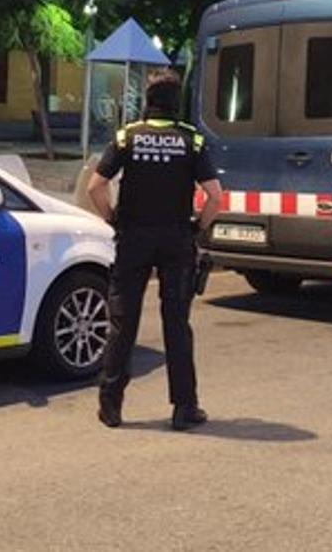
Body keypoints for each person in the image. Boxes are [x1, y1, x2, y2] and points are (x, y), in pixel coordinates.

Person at [87, 68, 223, 431]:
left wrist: (114, 219)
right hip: (176, 240)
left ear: (147, 102)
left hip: (133, 238)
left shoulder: (126, 136)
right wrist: (197, 227)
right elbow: (215, 197)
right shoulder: (191, 141)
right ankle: (184, 408)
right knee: (176, 323)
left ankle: (110, 405)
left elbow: (95, 187)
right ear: (176, 103)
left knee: (122, 322)